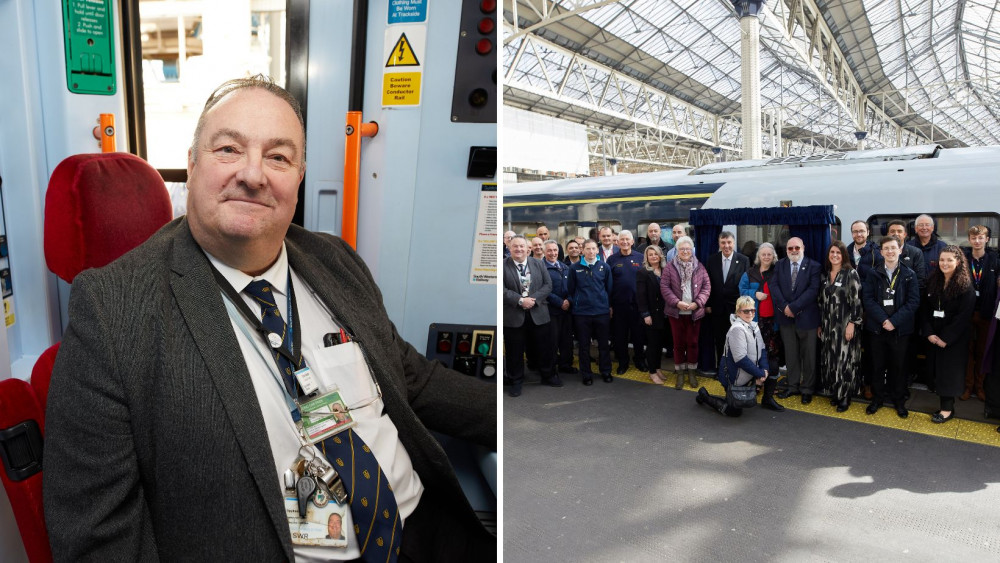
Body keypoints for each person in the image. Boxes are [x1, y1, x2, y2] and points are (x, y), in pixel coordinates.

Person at [43, 76, 495, 561]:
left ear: (299, 176)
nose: (254, 175)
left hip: (426, 530)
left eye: (278, 157)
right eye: (229, 150)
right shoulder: (113, 309)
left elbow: (413, 379)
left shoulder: (336, 261)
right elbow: (97, 535)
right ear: (192, 167)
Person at [862, 236, 920, 418]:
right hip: (877, 329)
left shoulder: (909, 274)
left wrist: (894, 321)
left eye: (893, 248)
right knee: (878, 366)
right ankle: (877, 399)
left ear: (900, 250)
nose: (890, 251)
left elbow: (913, 302)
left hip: (900, 330)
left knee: (899, 367)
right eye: (886, 248)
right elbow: (868, 300)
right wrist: (883, 320)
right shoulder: (873, 273)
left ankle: (899, 400)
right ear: (881, 252)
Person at [923, 246, 977, 423]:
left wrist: (946, 338)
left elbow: (963, 317)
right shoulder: (932, 280)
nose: (944, 264)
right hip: (933, 335)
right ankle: (942, 403)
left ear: (958, 262)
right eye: (942, 260)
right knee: (935, 371)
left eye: (949, 260)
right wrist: (929, 332)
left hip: (953, 339)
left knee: (949, 373)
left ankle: (947, 409)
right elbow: (924, 309)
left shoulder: (965, 286)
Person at [695, 296, 773, 416]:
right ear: (738, 312)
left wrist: (764, 369)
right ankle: (705, 397)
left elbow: (762, 349)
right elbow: (740, 359)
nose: (750, 313)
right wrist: (760, 374)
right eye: (746, 311)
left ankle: (767, 399)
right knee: (734, 412)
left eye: (753, 310)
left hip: (749, 373)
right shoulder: (736, 329)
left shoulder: (754, 326)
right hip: (733, 376)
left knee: (774, 366)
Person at [770, 237, 821, 404]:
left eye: (796, 247)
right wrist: (785, 307)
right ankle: (792, 386)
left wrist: (794, 307)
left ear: (803, 247)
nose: (793, 250)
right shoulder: (780, 265)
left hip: (807, 318)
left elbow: (813, 290)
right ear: (786, 250)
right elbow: (774, 287)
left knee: (809, 356)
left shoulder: (814, 266)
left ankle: (807, 388)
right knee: (791, 355)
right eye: (790, 248)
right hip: (786, 318)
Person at [503, 235, 556, 397]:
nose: (518, 249)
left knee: (544, 348)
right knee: (514, 352)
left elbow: (548, 285)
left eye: (521, 246)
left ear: (528, 249)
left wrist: (533, 300)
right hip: (514, 315)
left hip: (537, 312)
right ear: (509, 248)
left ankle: (548, 376)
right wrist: (520, 300)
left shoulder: (538, 264)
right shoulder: (502, 266)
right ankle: (516, 381)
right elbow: (500, 289)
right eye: (515, 246)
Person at [818, 241, 863, 412]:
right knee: (831, 360)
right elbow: (821, 303)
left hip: (845, 326)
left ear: (843, 255)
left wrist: (852, 323)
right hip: (829, 327)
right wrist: (820, 325)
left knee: (845, 361)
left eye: (838, 252)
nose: (835, 255)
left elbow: (857, 302)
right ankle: (836, 392)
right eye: (832, 252)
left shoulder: (850, 273)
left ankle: (845, 396)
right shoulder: (826, 274)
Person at [660, 236, 710, 389]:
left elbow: (706, 287)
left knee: (693, 343)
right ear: (677, 250)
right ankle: (680, 373)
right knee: (678, 344)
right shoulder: (670, 267)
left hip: (695, 313)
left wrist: (698, 303)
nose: (685, 251)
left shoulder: (699, 266)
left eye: (688, 249)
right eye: (682, 249)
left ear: (692, 250)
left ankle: (692, 373)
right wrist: (677, 302)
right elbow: (664, 287)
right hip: (676, 313)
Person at [738, 242, 784, 401]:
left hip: (773, 322)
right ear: (758, 257)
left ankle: (769, 386)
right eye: (763, 254)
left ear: (773, 257)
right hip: (755, 322)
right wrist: (754, 293)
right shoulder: (749, 273)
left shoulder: (777, 272)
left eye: (769, 255)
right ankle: (756, 382)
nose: (766, 257)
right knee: (754, 354)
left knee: (771, 356)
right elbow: (741, 292)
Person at [568, 239, 614, 384]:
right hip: (582, 313)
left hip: (601, 312)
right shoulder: (574, 268)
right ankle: (586, 374)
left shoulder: (604, 267)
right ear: (583, 250)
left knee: (603, 345)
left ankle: (606, 371)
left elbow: (609, 288)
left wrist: (607, 305)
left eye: (594, 248)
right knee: (583, 345)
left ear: (597, 250)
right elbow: (570, 289)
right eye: (588, 248)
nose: (591, 251)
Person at [963, 226, 998, 401]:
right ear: (969, 239)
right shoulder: (963, 258)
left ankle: (980, 386)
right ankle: (968, 386)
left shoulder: (994, 260)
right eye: (973, 237)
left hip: (986, 313)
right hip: (967, 312)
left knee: (983, 351)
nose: (977, 241)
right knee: (967, 350)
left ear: (987, 239)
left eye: (980, 237)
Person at [607, 230, 647, 374]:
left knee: (638, 336)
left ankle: (639, 360)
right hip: (619, 306)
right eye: (621, 239)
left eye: (627, 239)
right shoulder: (611, 260)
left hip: (637, 305)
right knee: (620, 337)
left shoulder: (641, 257)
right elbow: (608, 284)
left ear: (632, 242)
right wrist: (610, 305)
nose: (624, 242)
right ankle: (623, 362)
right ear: (617, 242)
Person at [706, 231, 749, 368]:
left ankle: (736, 369)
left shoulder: (743, 260)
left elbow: (745, 285)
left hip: (736, 309)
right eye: (723, 243)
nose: (726, 246)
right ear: (719, 244)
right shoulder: (712, 260)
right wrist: (708, 304)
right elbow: (708, 284)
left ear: (734, 243)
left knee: (737, 341)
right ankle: (721, 369)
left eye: (729, 242)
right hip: (717, 308)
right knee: (720, 341)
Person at [544, 239, 577, 377]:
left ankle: (565, 365)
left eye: (555, 250)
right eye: (550, 250)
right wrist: (559, 302)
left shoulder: (565, 267)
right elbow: (543, 289)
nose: (553, 253)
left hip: (566, 311)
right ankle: (551, 370)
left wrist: (568, 300)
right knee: (552, 341)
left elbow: (573, 287)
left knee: (566, 340)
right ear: (545, 252)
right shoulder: (541, 268)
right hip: (552, 311)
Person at [636, 245, 668, 384]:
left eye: (656, 254)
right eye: (650, 255)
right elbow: (640, 296)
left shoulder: (666, 270)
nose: (654, 256)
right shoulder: (643, 273)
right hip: (651, 314)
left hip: (664, 313)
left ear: (660, 255)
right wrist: (645, 314)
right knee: (652, 344)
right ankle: (652, 371)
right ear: (647, 257)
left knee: (660, 343)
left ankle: (658, 367)